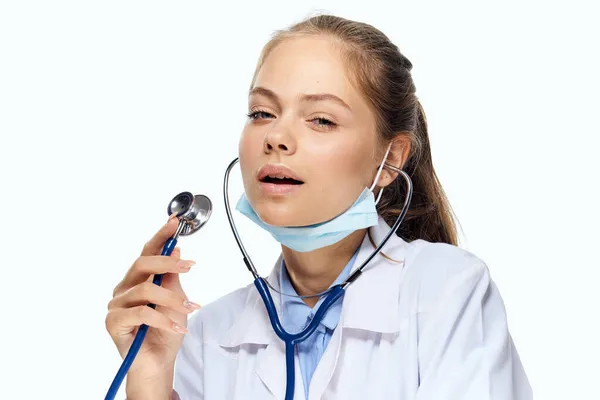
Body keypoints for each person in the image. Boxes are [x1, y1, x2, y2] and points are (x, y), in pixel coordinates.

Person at [105, 14, 532, 400]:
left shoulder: (447, 292)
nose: (276, 137)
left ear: (390, 161)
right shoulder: (204, 335)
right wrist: (149, 380)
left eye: (321, 119)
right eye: (261, 112)